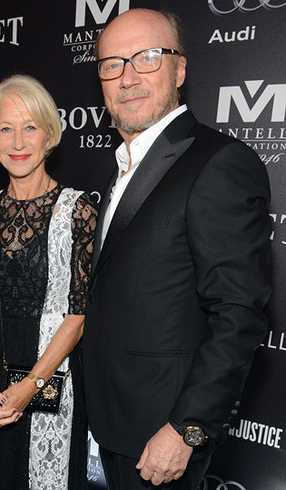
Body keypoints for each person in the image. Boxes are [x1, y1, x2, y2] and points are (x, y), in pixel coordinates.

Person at [83, 8, 272, 490]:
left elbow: (238, 314)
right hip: (112, 422)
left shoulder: (219, 162)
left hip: (162, 434)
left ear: (180, 69)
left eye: (146, 58)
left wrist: (187, 431)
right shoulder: (122, 168)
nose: (127, 78)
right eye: (112, 63)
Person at [0, 74, 98, 489]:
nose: (18, 142)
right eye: (6, 128)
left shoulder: (77, 210)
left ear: (50, 134)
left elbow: (77, 314)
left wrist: (31, 385)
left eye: (30, 127)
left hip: (53, 370)